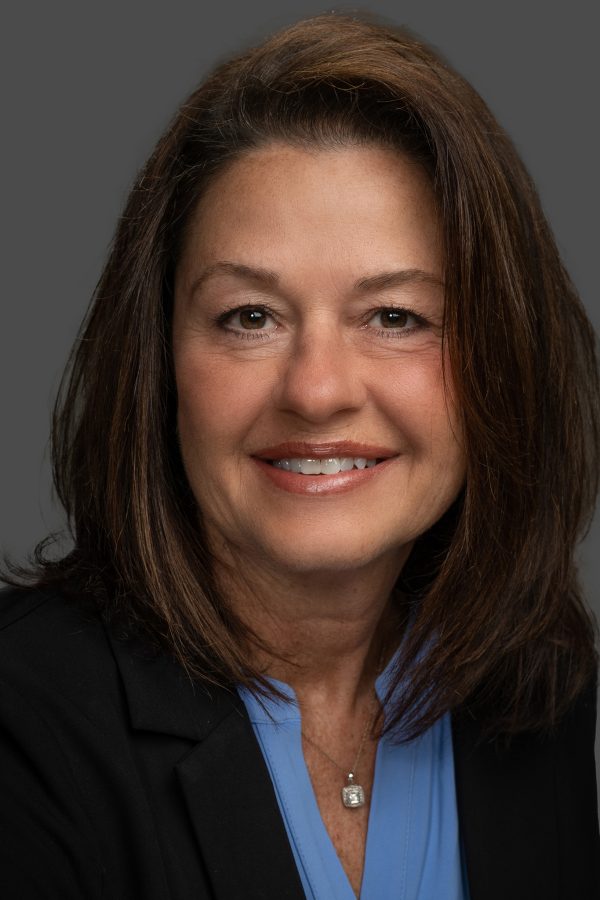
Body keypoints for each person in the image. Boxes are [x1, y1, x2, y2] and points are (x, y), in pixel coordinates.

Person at [1, 12, 598, 900]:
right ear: (159, 364)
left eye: (396, 316)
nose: (317, 391)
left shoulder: (536, 689)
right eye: (250, 317)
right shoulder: (20, 720)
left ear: (503, 363)